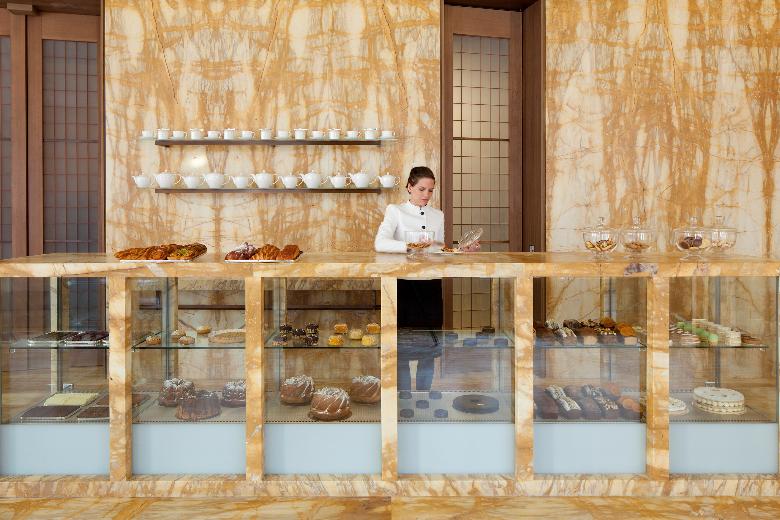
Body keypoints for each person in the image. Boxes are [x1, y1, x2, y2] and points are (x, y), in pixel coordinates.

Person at [374, 166, 479, 391]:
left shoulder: (437, 215)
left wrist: (461, 251)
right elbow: (380, 243)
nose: (426, 195)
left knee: (429, 348)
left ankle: (424, 398)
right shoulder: (395, 211)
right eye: (421, 189)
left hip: (431, 286)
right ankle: (403, 399)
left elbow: (438, 249)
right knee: (402, 348)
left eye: (430, 190)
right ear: (409, 187)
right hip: (403, 286)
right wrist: (410, 246)